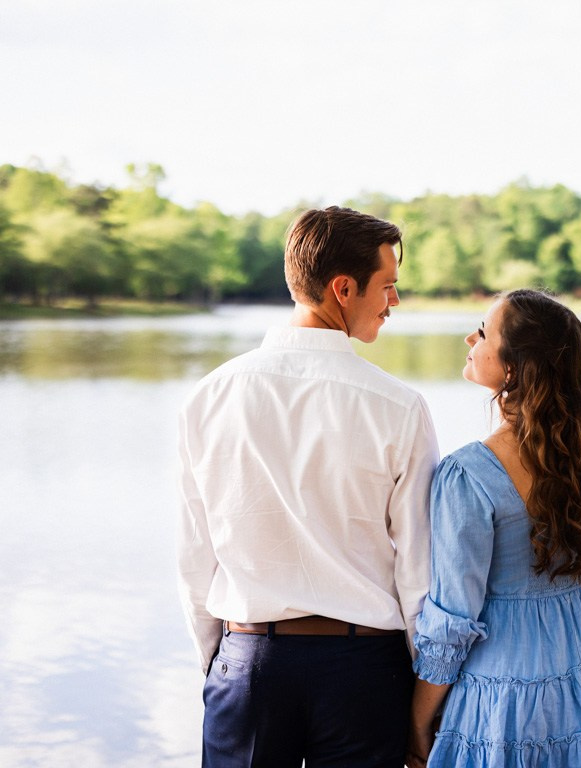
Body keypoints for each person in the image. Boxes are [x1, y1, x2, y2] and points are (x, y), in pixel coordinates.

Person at [176, 206, 439, 767]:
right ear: (343, 288)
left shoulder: (209, 395)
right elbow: (419, 570)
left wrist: (220, 661)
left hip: (249, 659)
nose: (394, 302)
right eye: (388, 287)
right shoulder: (398, 407)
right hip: (365, 673)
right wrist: (421, 699)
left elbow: (195, 554)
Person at [407, 289, 581, 768]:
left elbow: (453, 618)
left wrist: (416, 719)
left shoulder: (470, 475)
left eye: (483, 331)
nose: (469, 338)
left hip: (509, 689)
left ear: (513, 367)